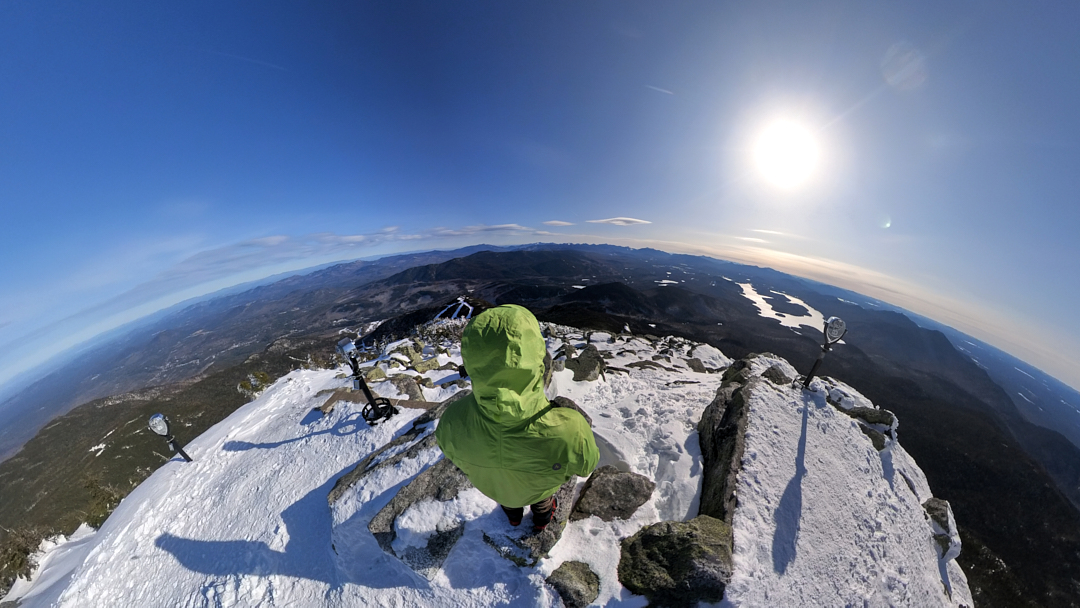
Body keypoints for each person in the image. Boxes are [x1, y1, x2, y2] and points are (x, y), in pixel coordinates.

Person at [435, 304, 599, 531]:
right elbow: (587, 464)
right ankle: (542, 520)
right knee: (542, 501)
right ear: (535, 355)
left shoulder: (451, 421)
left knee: (508, 498)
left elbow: (454, 455)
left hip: (495, 488)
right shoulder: (571, 429)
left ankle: (513, 516)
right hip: (539, 489)